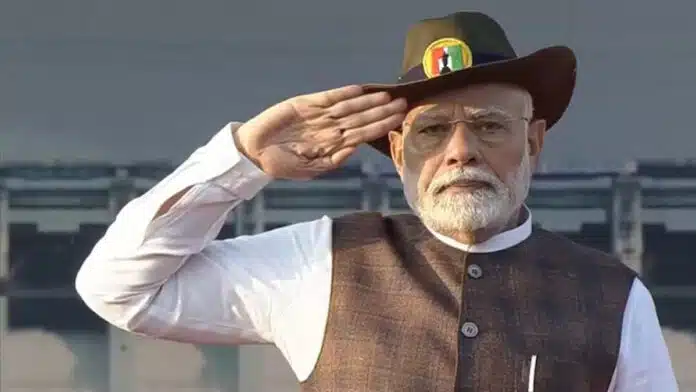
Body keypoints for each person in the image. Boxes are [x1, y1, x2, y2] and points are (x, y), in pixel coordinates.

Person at [75, 11, 678, 392]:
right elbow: (119, 289)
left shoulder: (613, 297)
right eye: (432, 130)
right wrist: (240, 161)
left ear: (533, 140)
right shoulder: (321, 262)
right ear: (397, 151)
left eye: (490, 125)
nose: (460, 152)